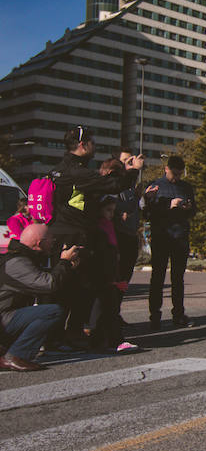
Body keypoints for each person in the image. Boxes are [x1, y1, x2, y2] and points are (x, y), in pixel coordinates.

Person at [48, 126, 143, 346]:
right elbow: (116, 185)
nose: (94, 145)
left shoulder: (58, 170)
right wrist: (134, 170)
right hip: (77, 237)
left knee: (66, 288)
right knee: (84, 287)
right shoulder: (79, 173)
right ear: (82, 145)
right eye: (92, 141)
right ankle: (66, 335)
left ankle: (62, 335)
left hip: (61, 233)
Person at [0, 224, 79, 371]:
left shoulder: (22, 258)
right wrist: (64, 262)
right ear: (39, 243)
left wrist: (68, 267)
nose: (53, 242)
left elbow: (47, 278)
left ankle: (9, 350)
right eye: (51, 239)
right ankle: (16, 356)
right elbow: (48, 284)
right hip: (3, 319)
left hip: (5, 318)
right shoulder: (16, 262)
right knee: (52, 312)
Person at [144, 155, 196, 330]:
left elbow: (194, 210)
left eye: (180, 174)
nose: (177, 178)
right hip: (161, 235)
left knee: (178, 278)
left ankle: (179, 314)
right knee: (157, 277)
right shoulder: (155, 186)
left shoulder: (186, 187)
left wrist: (188, 207)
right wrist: (168, 206)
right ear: (166, 169)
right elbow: (147, 212)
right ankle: (155, 315)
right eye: (175, 174)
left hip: (180, 236)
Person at [85, 190, 138, 352]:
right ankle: (112, 339)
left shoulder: (109, 224)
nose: (111, 214)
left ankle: (106, 338)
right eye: (108, 210)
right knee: (105, 305)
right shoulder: (98, 226)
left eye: (113, 211)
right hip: (102, 271)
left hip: (110, 270)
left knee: (109, 305)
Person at [113, 147, 144, 325]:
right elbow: (122, 210)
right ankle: (109, 315)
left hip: (131, 236)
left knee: (124, 279)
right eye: (127, 161)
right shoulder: (116, 185)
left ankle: (115, 312)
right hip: (118, 236)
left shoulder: (131, 187)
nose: (131, 164)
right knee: (115, 279)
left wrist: (142, 196)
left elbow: (136, 210)